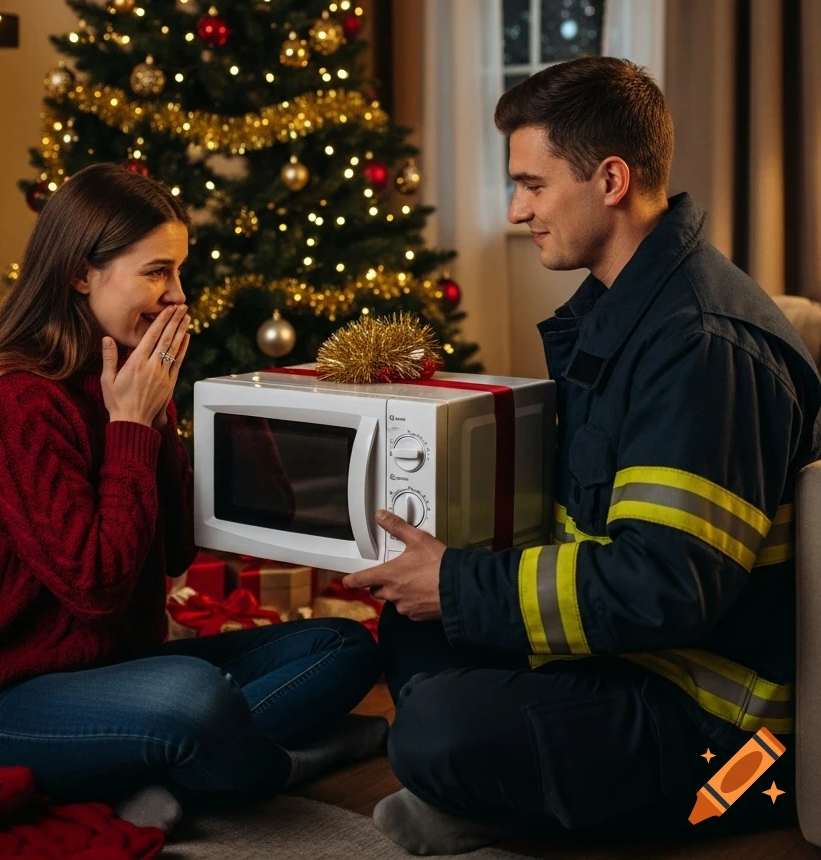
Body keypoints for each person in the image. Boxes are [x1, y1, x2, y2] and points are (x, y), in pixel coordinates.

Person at [345, 56, 821, 854]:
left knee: (434, 726)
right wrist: (446, 579)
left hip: (718, 728)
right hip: (625, 662)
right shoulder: (629, 313)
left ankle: (499, 802)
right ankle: (498, 792)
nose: (516, 208)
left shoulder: (700, 346)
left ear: (608, 179)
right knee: (413, 617)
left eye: (533, 185)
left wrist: (462, 583)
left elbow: (667, 585)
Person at [0, 165, 384, 833]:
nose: (177, 295)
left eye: (178, 273)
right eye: (156, 272)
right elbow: (96, 588)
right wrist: (130, 429)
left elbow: (172, 553)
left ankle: (154, 770)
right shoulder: (13, 398)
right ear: (82, 272)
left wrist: (156, 418)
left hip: (117, 670)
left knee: (345, 645)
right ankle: (282, 765)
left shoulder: (122, 378)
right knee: (194, 701)